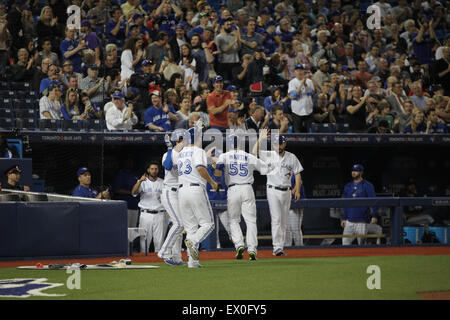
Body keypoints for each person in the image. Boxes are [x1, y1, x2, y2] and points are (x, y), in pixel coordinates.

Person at [215, 134, 270, 260]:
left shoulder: (224, 156)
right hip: (247, 188)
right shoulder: (249, 156)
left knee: (233, 220)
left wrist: (218, 181)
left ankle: (239, 244)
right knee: (250, 221)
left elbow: (217, 170)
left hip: (233, 189)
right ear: (239, 143)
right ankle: (252, 250)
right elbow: (265, 169)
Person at [172, 127, 219, 268]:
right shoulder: (198, 151)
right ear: (198, 138)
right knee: (208, 224)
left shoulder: (181, 153)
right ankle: (193, 241)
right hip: (196, 189)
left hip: (182, 191)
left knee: (191, 228)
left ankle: (193, 262)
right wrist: (212, 182)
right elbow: (200, 168)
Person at [253, 130, 303, 256]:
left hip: (286, 191)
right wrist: (260, 139)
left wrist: (297, 189)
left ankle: (281, 246)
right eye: (276, 143)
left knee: (284, 221)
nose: (278, 145)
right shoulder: (268, 155)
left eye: (280, 143)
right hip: (272, 189)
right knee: (276, 219)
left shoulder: (291, 157)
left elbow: (297, 173)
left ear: (284, 144)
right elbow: (254, 152)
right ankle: (277, 247)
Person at [157, 131, 186, 266]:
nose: (183, 141)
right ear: (176, 141)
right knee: (179, 223)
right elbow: (167, 165)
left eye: (184, 139)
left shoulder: (186, 154)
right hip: (170, 192)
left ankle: (176, 257)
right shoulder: (168, 154)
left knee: (180, 225)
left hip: (180, 192)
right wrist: (169, 149)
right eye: (181, 139)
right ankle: (164, 252)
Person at [131, 161, 167, 254]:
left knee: (159, 242)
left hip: (160, 213)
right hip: (146, 214)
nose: (154, 171)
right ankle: (144, 260)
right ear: (148, 170)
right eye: (152, 169)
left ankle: (159, 262)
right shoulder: (143, 182)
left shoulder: (162, 182)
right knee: (144, 241)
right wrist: (139, 181)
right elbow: (134, 193)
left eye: (156, 169)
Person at [341, 164, 379, 246]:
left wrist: (374, 215)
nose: (354, 173)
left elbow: (374, 201)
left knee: (362, 246)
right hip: (349, 222)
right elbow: (344, 203)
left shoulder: (367, 185)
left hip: (362, 222)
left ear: (361, 172)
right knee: (344, 245)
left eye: (356, 171)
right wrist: (343, 218)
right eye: (353, 171)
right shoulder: (348, 186)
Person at [112, 157, 140, 228]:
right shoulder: (121, 174)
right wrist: (132, 192)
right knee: (124, 230)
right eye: (128, 161)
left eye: (131, 161)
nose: (130, 163)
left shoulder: (136, 174)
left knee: (133, 230)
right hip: (124, 207)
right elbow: (117, 190)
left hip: (135, 206)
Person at [288, 64, 316, 133]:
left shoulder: (309, 81)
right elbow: (294, 95)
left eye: (301, 70)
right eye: (297, 70)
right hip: (297, 111)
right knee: (297, 132)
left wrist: (305, 84)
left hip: (308, 110)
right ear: (295, 72)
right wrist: (301, 84)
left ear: (304, 71)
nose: (299, 72)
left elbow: (311, 93)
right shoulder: (292, 82)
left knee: (309, 132)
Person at [285, 175, 306, 247]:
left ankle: (299, 248)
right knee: (286, 228)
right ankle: (287, 247)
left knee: (295, 228)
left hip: (296, 202)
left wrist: (291, 193)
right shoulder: (282, 171)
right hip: (286, 203)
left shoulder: (294, 171)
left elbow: (299, 182)